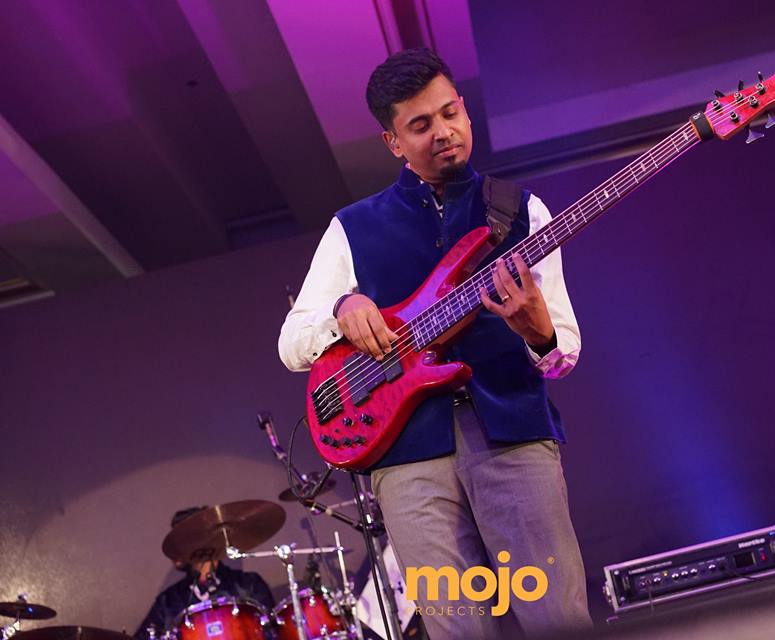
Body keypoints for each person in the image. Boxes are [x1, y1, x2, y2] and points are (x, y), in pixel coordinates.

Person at [278, 48, 591, 639]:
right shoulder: (352, 227)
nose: (443, 132)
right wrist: (343, 311)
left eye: (450, 113)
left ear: (465, 111)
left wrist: (537, 332)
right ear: (393, 141)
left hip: (514, 438)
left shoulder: (523, 211)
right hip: (408, 461)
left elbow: (562, 353)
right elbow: (292, 342)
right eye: (421, 125)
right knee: (455, 629)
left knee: (557, 618)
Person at [134, 507, 275, 640]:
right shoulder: (168, 601)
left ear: (204, 541)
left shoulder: (249, 585)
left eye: (180, 540)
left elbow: (274, 632)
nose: (174, 548)